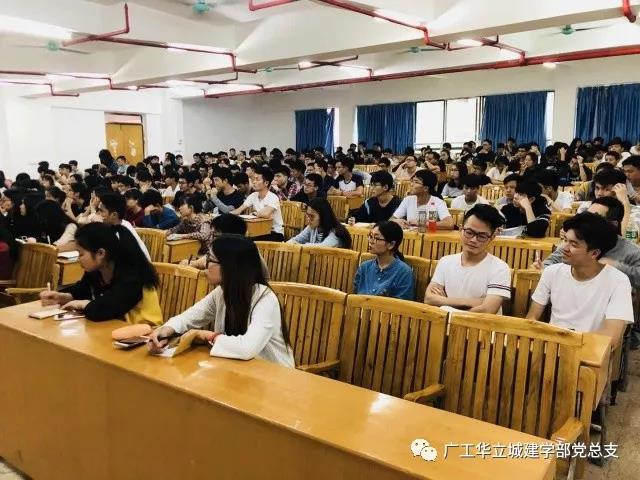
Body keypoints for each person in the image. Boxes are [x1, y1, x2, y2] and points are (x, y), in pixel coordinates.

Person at [148, 235, 294, 367]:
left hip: (274, 375)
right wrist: (166, 330)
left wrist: (207, 336)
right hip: (237, 369)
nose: (205, 265)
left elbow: (247, 348)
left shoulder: (265, 299)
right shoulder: (222, 292)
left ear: (231, 267)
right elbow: (189, 317)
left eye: (210, 259)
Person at [527, 213, 633, 348]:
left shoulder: (618, 282)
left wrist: (572, 345)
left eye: (574, 244)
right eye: (565, 240)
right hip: (551, 348)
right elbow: (531, 318)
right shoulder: (552, 272)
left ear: (594, 253)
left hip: (589, 351)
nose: (564, 248)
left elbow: (611, 338)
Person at [39, 223, 163, 325]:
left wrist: (83, 304)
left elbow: (106, 308)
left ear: (100, 253)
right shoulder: (97, 270)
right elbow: (83, 289)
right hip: (111, 329)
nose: (78, 259)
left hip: (143, 335)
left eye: (81, 254)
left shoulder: (132, 275)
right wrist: (62, 297)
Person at [424, 205, 510, 314]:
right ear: (460, 230)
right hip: (446, 323)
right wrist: (473, 302)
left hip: (480, 324)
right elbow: (429, 299)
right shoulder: (445, 262)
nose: (473, 240)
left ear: (492, 237)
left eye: (481, 236)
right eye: (469, 232)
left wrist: (445, 305)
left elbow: (488, 310)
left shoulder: (500, 268)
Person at [539, 197, 640, 288]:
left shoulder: (631, 251)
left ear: (613, 224)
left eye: (594, 219)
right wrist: (542, 268)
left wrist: (616, 266)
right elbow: (549, 263)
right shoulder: (574, 241)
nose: (586, 223)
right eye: (587, 216)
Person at [353, 221, 414, 300]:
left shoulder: (404, 272)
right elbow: (354, 297)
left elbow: (402, 305)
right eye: (370, 236)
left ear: (391, 244)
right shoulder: (364, 267)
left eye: (376, 238)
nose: (371, 241)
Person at [232, 167, 284, 241]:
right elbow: (238, 210)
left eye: (257, 179)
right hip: (260, 231)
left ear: (266, 183)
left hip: (275, 232)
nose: (254, 182)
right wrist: (225, 215)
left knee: (248, 240)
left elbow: (265, 214)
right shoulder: (253, 195)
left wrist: (254, 214)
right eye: (254, 179)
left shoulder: (273, 197)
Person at [97, 192, 151, 261]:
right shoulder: (118, 224)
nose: (98, 214)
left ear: (114, 215)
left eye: (101, 211)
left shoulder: (121, 233)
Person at [287, 198, 351, 248]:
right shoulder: (312, 227)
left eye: (312, 216)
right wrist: (288, 244)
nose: (308, 220)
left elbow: (321, 248)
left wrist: (297, 245)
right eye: (307, 215)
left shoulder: (336, 233)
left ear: (324, 216)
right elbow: (296, 239)